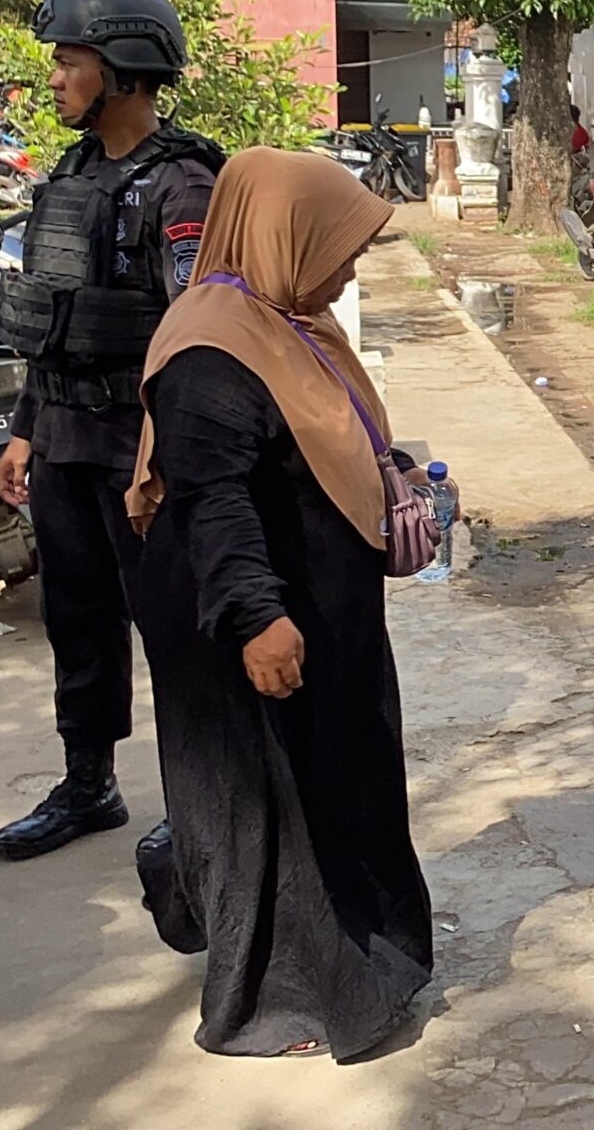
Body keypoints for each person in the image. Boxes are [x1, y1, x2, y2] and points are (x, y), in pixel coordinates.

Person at [124, 148, 433, 1060]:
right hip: (249, 618)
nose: (348, 273)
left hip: (317, 613)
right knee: (269, 809)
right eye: (338, 251)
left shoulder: (288, 324)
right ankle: (276, 1000)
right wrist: (258, 619)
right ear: (282, 236)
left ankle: (361, 960)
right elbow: (211, 496)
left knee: (337, 788)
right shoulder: (211, 348)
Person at [0, 0, 226, 861]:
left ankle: (201, 803)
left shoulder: (182, 185)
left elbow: (197, 336)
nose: (53, 78)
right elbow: (52, 317)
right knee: (78, 623)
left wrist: (170, 458)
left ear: (122, 70)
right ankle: (88, 785)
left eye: (69, 62)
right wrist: (25, 429)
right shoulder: (72, 176)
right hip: (64, 440)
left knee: (173, 628)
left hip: (139, 449)